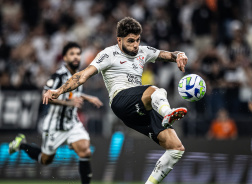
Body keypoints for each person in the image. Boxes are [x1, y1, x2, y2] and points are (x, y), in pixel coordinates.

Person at [43, 17, 188, 184]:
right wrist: (59, 90)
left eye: (138, 40)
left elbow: (168, 55)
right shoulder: (108, 54)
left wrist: (180, 54)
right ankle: (167, 113)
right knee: (156, 90)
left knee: (176, 149)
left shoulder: (143, 51)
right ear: (119, 40)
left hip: (139, 107)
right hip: (120, 100)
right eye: (131, 41)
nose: (135, 45)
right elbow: (82, 75)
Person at [9, 42, 103, 184]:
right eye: (72, 54)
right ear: (65, 58)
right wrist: (68, 103)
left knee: (85, 151)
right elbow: (45, 96)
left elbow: (73, 94)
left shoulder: (79, 76)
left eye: (78, 54)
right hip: (55, 124)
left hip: (72, 122)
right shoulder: (58, 76)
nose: (76, 57)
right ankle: (22, 145)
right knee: (45, 160)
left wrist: (88, 97)